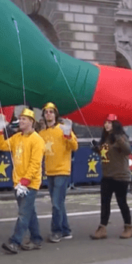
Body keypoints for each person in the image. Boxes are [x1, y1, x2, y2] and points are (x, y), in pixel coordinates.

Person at [0, 109, 45, 254]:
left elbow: (35, 164)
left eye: (24, 119)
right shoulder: (17, 137)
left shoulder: (37, 140)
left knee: (23, 214)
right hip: (19, 182)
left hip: (29, 183)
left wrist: (25, 181)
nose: (21, 121)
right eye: (20, 119)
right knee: (29, 212)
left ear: (31, 122)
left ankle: (15, 242)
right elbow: (2, 146)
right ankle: (36, 239)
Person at [90, 114, 132, 240]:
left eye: (110, 123)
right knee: (105, 203)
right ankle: (102, 227)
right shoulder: (105, 139)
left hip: (120, 176)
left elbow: (128, 150)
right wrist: (96, 148)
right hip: (107, 175)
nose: (107, 125)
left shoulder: (120, 137)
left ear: (115, 125)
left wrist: (118, 138)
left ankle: (128, 227)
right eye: (105, 123)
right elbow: (105, 154)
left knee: (122, 202)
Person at [38, 102, 77, 242]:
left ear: (55, 114)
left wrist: (68, 135)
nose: (48, 114)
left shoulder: (63, 129)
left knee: (56, 203)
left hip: (62, 170)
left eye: (51, 111)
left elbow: (74, 146)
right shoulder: (42, 134)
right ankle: (66, 230)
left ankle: (57, 231)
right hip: (50, 171)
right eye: (46, 112)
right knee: (59, 202)